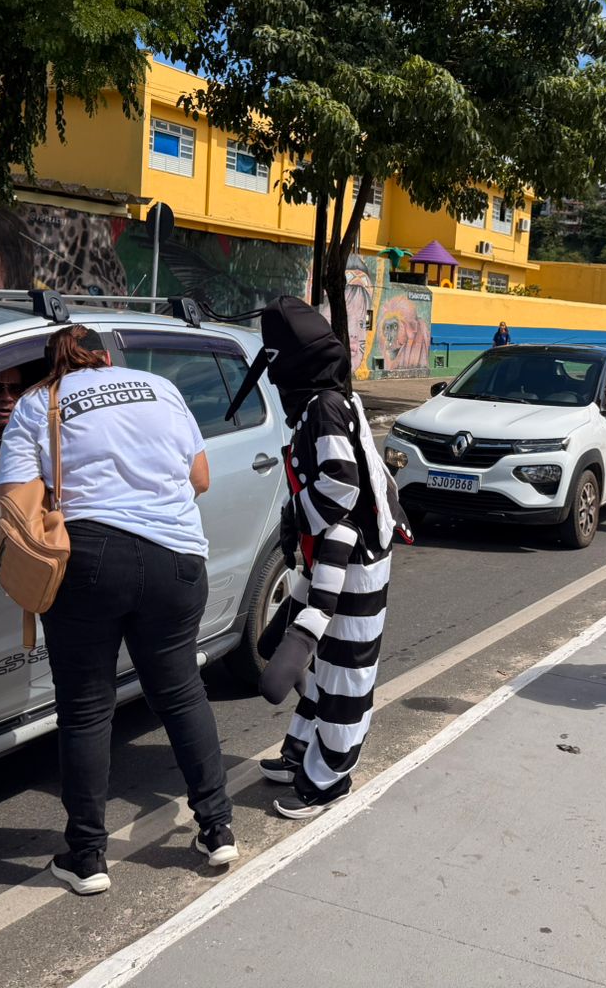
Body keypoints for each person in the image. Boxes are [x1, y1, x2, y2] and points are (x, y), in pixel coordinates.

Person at [0, 324, 236, 894]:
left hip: (90, 561)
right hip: (177, 560)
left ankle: (87, 858)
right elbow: (199, 477)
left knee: (86, 710)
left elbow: (11, 498)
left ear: (51, 366)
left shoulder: (38, 403)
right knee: (180, 694)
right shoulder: (160, 386)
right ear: (106, 357)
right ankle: (218, 827)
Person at [225, 296, 404, 820]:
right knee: (323, 659)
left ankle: (330, 777)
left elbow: (341, 487)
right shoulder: (326, 401)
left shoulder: (323, 407)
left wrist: (295, 515)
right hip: (331, 552)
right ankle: (303, 751)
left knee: (347, 667)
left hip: (353, 556)